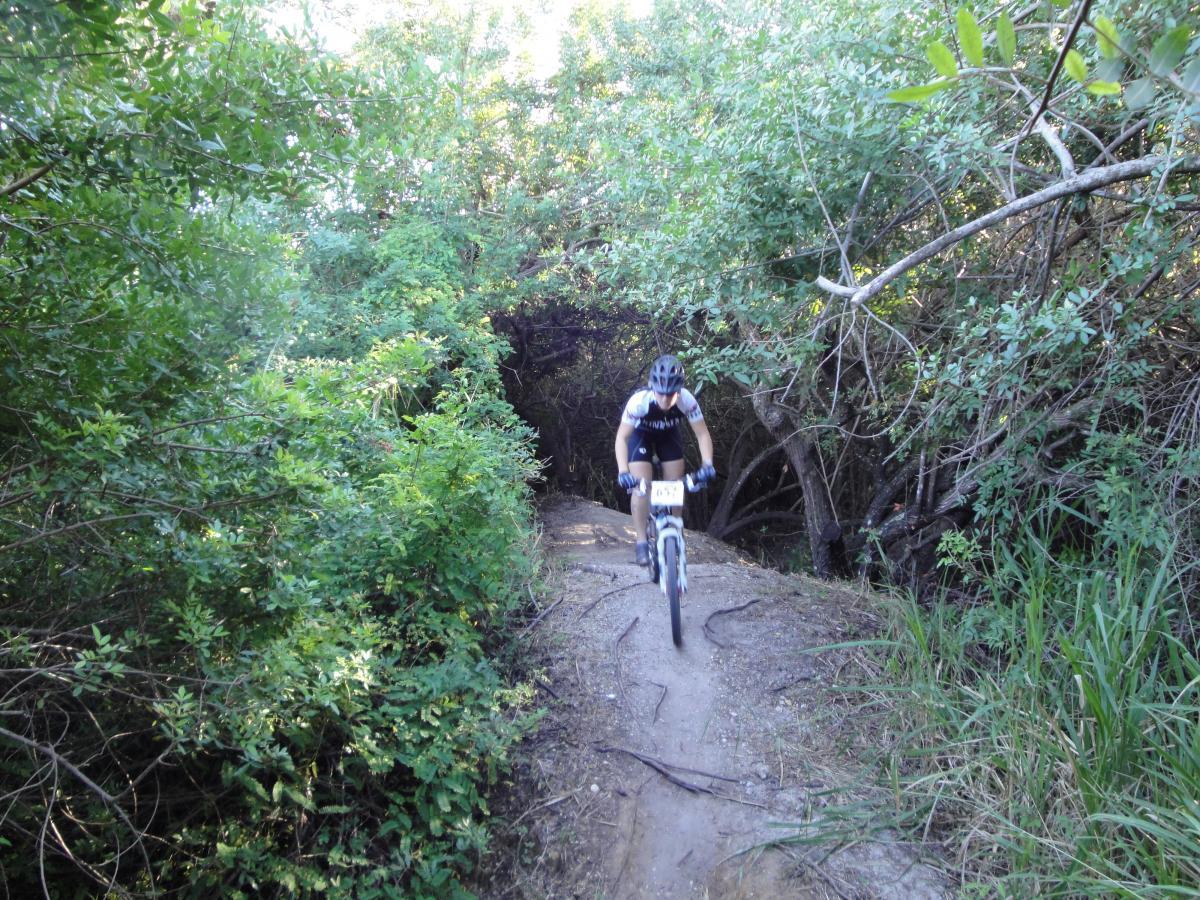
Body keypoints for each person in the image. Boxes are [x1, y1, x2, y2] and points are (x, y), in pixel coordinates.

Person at [614, 354, 716, 565]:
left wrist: (707, 464)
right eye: (660, 393)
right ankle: (642, 541)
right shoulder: (639, 402)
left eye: (671, 395)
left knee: (675, 487)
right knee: (641, 488)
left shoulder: (687, 400)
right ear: (652, 387)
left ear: (679, 391)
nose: (665, 399)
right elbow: (622, 438)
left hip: (668, 436)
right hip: (640, 436)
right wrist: (623, 472)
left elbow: (703, 434)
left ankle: (675, 529)